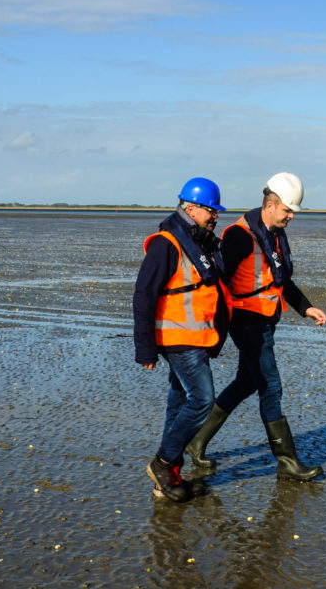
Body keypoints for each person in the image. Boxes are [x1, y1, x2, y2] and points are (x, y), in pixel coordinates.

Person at [184, 172, 326, 481]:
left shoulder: (274, 234)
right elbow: (217, 281)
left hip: (266, 319)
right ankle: (287, 461)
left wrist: (306, 307)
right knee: (271, 386)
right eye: (288, 210)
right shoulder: (239, 236)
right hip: (247, 322)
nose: (291, 217)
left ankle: (196, 440)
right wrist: (210, 326)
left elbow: (281, 280)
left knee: (246, 382)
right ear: (270, 205)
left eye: (292, 212)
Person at [133, 177, 230, 503]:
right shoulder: (166, 243)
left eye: (216, 211)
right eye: (211, 211)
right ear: (191, 207)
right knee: (202, 400)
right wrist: (145, 346)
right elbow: (144, 295)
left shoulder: (200, 242)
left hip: (197, 337)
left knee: (178, 402)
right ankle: (163, 463)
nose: (216, 216)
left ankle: (168, 478)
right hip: (178, 338)